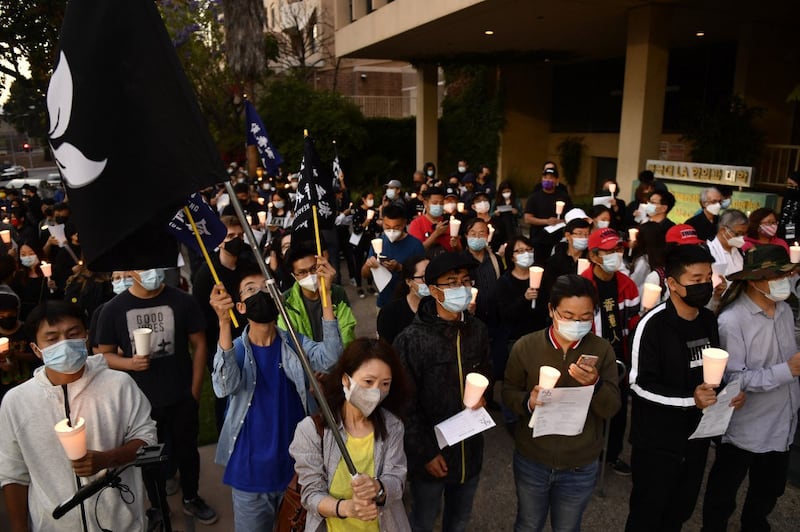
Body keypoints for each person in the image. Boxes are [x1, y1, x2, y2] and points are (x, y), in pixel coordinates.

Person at [0, 301, 157, 531]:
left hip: (120, 523)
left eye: (73, 334)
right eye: (52, 339)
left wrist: (108, 458)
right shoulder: (17, 402)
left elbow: (147, 438)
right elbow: (13, 473)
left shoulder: (118, 385)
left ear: (86, 336)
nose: (64, 344)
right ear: (36, 349)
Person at [209, 264, 343, 530]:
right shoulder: (234, 350)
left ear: (278, 299)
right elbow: (223, 387)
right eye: (250, 289)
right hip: (250, 475)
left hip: (296, 471)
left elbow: (331, 359)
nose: (260, 292)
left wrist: (326, 295)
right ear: (241, 307)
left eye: (266, 287)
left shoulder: (294, 342)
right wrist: (223, 324)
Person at [626, 244, 744, 531]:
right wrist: (690, 400)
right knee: (647, 514)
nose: (704, 285)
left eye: (707, 278)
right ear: (673, 284)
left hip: (696, 439)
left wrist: (726, 395)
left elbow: (712, 371)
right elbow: (639, 386)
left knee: (679, 512)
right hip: (657, 443)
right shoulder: (652, 325)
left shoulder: (707, 320)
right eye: (695, 280)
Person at [95, 268, 217, 524]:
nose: (152, 272)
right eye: (143, 267)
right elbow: (103, 354)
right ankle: (158, 505)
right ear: (131, 272)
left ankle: (191, 498)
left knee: (187, 452)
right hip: (140, 405)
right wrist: (130, 364)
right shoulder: (113, 309)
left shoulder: (183, 300)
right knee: (149, 459)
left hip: (181, 396)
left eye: (156, 265)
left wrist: (194, 392)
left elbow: (200, 344)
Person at [504, 274, 621, 531]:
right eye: (568, 316)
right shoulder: (526, 347)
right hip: (533, 459)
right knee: (528, 523)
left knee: (568, 527)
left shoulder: (601, 350)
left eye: (585, 317)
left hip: (580, 464)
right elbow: (508, 393)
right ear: (551, 310)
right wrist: (528, 401)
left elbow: (612, 407)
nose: (576, 323)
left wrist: (595, 385)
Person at [702, 245, 800, 532]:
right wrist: (788, 370)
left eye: (789, 273)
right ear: (756, 280)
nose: (787, 280)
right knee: (725, 489)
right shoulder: (732, 320)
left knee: (768, 488)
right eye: (779, 276)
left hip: (783, 417)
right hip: (746, 424)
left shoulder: (782, 310)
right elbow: (735, 378)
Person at [393, 252, 490, 532]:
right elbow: (403, 404)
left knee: (459, 520)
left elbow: (486, 370)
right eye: (452, 282)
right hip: (430, 456)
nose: (461, 288)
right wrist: (424, 453)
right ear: (434, 290)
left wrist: (483, 392)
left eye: (465, 281)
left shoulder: (478, 330)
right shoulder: (411, 339)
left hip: (469, 449)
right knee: (423, 519)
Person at [290, 338, 412, 532]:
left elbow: (397, 478)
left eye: (385, 384)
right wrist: (347, 508)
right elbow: (311, 495)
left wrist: (378, 488)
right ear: (346, 380)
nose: (376, 391)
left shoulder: (393, 426)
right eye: (368, 381)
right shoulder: (311, 431)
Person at [581, 228, 640, 475]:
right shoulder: (582, 284)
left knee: (616, 409)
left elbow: (633, 324)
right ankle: (585, 455)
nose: (616, 254)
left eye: (619, 249)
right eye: (609, 250)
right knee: (588, 409)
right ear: (594, 256)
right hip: (589, 357)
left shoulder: (627, 285)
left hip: (619, 358)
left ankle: (612, 454)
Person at [279, 245, 357, 346]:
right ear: (294, 275)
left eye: (313, 268)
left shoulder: (337, 292)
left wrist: (326, 293)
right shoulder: (286, 300)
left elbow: (347, 332)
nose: (310, 275)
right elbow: (290, 340)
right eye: (302, 272)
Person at [361, 204, 424, 309]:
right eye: (387, 227)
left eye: (396, 227)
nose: (391, 231)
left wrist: (400, 268)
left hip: (409, 305)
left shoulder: (415, 245)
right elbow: (364, 275)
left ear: (404, 223)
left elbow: (423, 277)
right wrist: (368, 265)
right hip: (384, 303)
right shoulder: (378, 243)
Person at [524, 165, 573, 264]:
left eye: (551, 178)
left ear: (557, 180)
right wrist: (546, 221)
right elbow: (528, 218)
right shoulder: (534, 197)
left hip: (559, 240)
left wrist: (562, 221)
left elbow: (571, 215)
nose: (548, 180)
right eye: (545, 177)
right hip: (539, 241)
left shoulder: (563, 196)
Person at [377, 255, 429, 344]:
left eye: (431, 276)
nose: (429, 281)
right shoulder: (390, 313)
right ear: (409, 281)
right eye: (423, 277)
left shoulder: (440, 307)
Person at [0, 286, 38, 401]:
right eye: (2, 315)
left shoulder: (27, 330)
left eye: (10, 315)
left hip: (28, 388)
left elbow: (37, 356)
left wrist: (16, 355)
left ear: (17, 311)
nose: (6, 318)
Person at [706, 210, 748, 310]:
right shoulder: (708, 251)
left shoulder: (740, 253)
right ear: (723, 230)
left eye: (744, 234)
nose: (742, 238)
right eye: (738, 234)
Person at [350, 192, 380, 299]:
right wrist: (365, 223)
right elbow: (356, 229)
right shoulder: (358, 211)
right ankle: (359, 286)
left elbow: (376, 228)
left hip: (370, 240)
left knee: (371, 262)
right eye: (369, 198)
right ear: (363, 199)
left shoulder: (374, 211)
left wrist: (378, 223)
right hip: (359, 241)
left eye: (373, 198)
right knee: (358, 264)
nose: (371, 200)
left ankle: (370, 285)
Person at [407, 186, 456, 253]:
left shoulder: (448, 223)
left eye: (441, 203)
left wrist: (456, 245)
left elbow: (458, 250)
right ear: (425, 203)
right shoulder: (416, 224)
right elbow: (416, 251)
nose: (438, 206)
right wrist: (436, 234)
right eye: (435, 203)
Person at [777, 170, 800, 242]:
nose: (789, 187)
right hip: (782, 228)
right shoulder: (787, 195)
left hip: (795, 229)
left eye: (791, 184)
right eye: (788, 184)